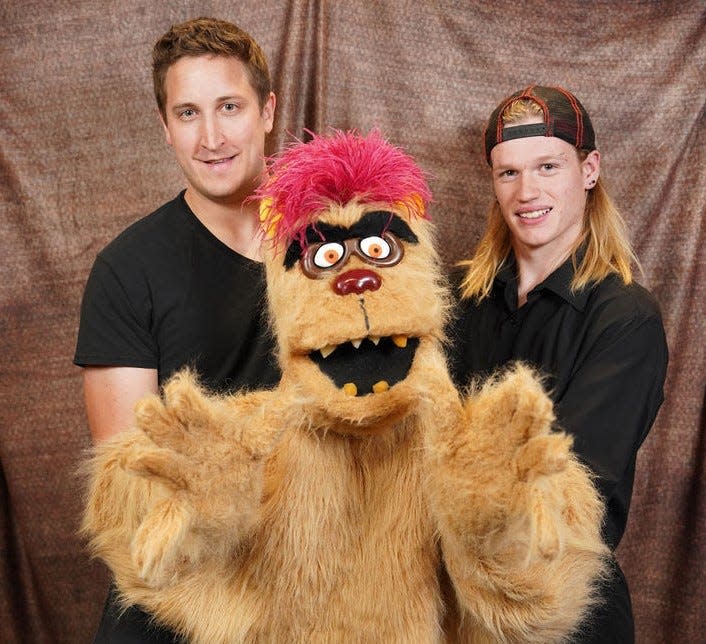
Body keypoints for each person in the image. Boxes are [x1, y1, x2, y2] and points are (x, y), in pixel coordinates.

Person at [74, 16, 280, 643]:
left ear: (266, 111)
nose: (212, 136)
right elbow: (133, 484)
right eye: (188, 113)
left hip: (310, 589)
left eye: (229, 106)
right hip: (180, 604)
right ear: (164, 129)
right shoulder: (126, 271)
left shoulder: (335, 241)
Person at [447, 85, 668, 643]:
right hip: (451, 608)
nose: (527, 192)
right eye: (508, 173)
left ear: (589, 169)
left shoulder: (625, 320)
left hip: (560, 616)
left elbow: (564, 489)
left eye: (548, 166)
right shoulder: (450, 298)